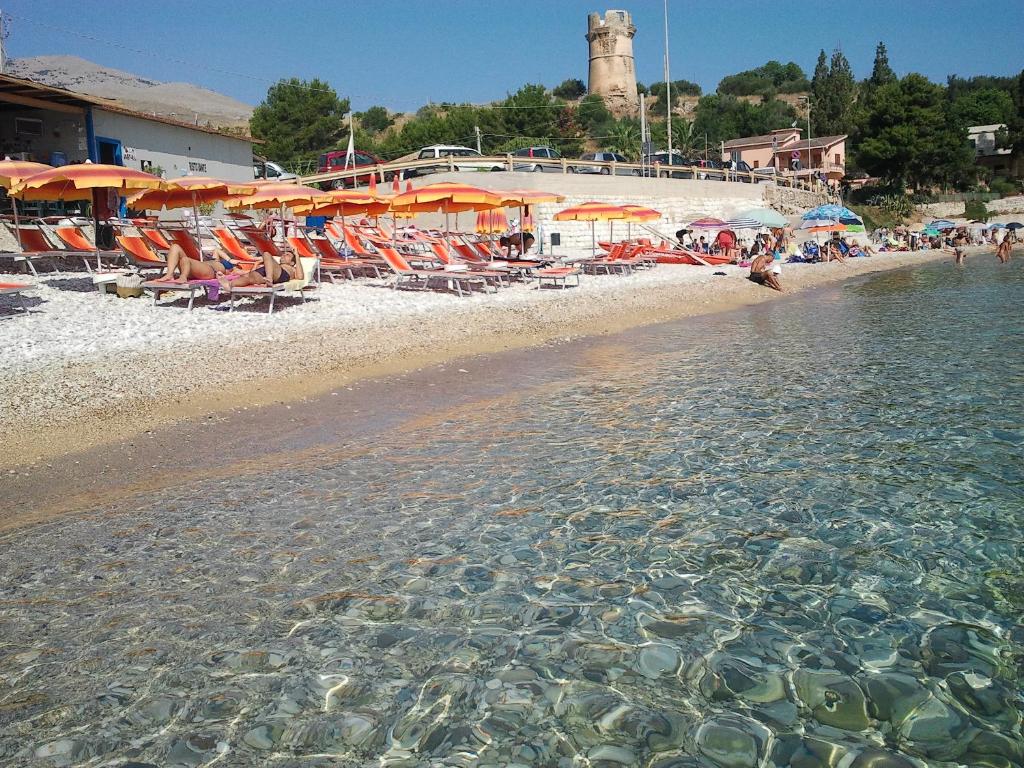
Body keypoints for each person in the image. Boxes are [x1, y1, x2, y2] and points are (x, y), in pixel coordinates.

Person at [221, 248, 303, 291]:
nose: (283, 255)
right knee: (248, 277)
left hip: (281, 274)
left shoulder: (292, 268)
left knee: (266, 254)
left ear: (292, 262)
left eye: (287, 255)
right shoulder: (274, 265)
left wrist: (297, 255)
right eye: (283, 254)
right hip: (266, 273)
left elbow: (300, 277)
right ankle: (229, 285)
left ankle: (269, 279)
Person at [154, 244, 243, 282]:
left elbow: (248, 273)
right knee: (175, 247)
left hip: (210, 271)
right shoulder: (217, 260)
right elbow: (217, 250)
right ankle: (169, 274)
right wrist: (229, 260)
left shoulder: (234, 269)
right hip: (196, 268)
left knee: (186, 260)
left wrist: (256, 264)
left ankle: (183, 277)